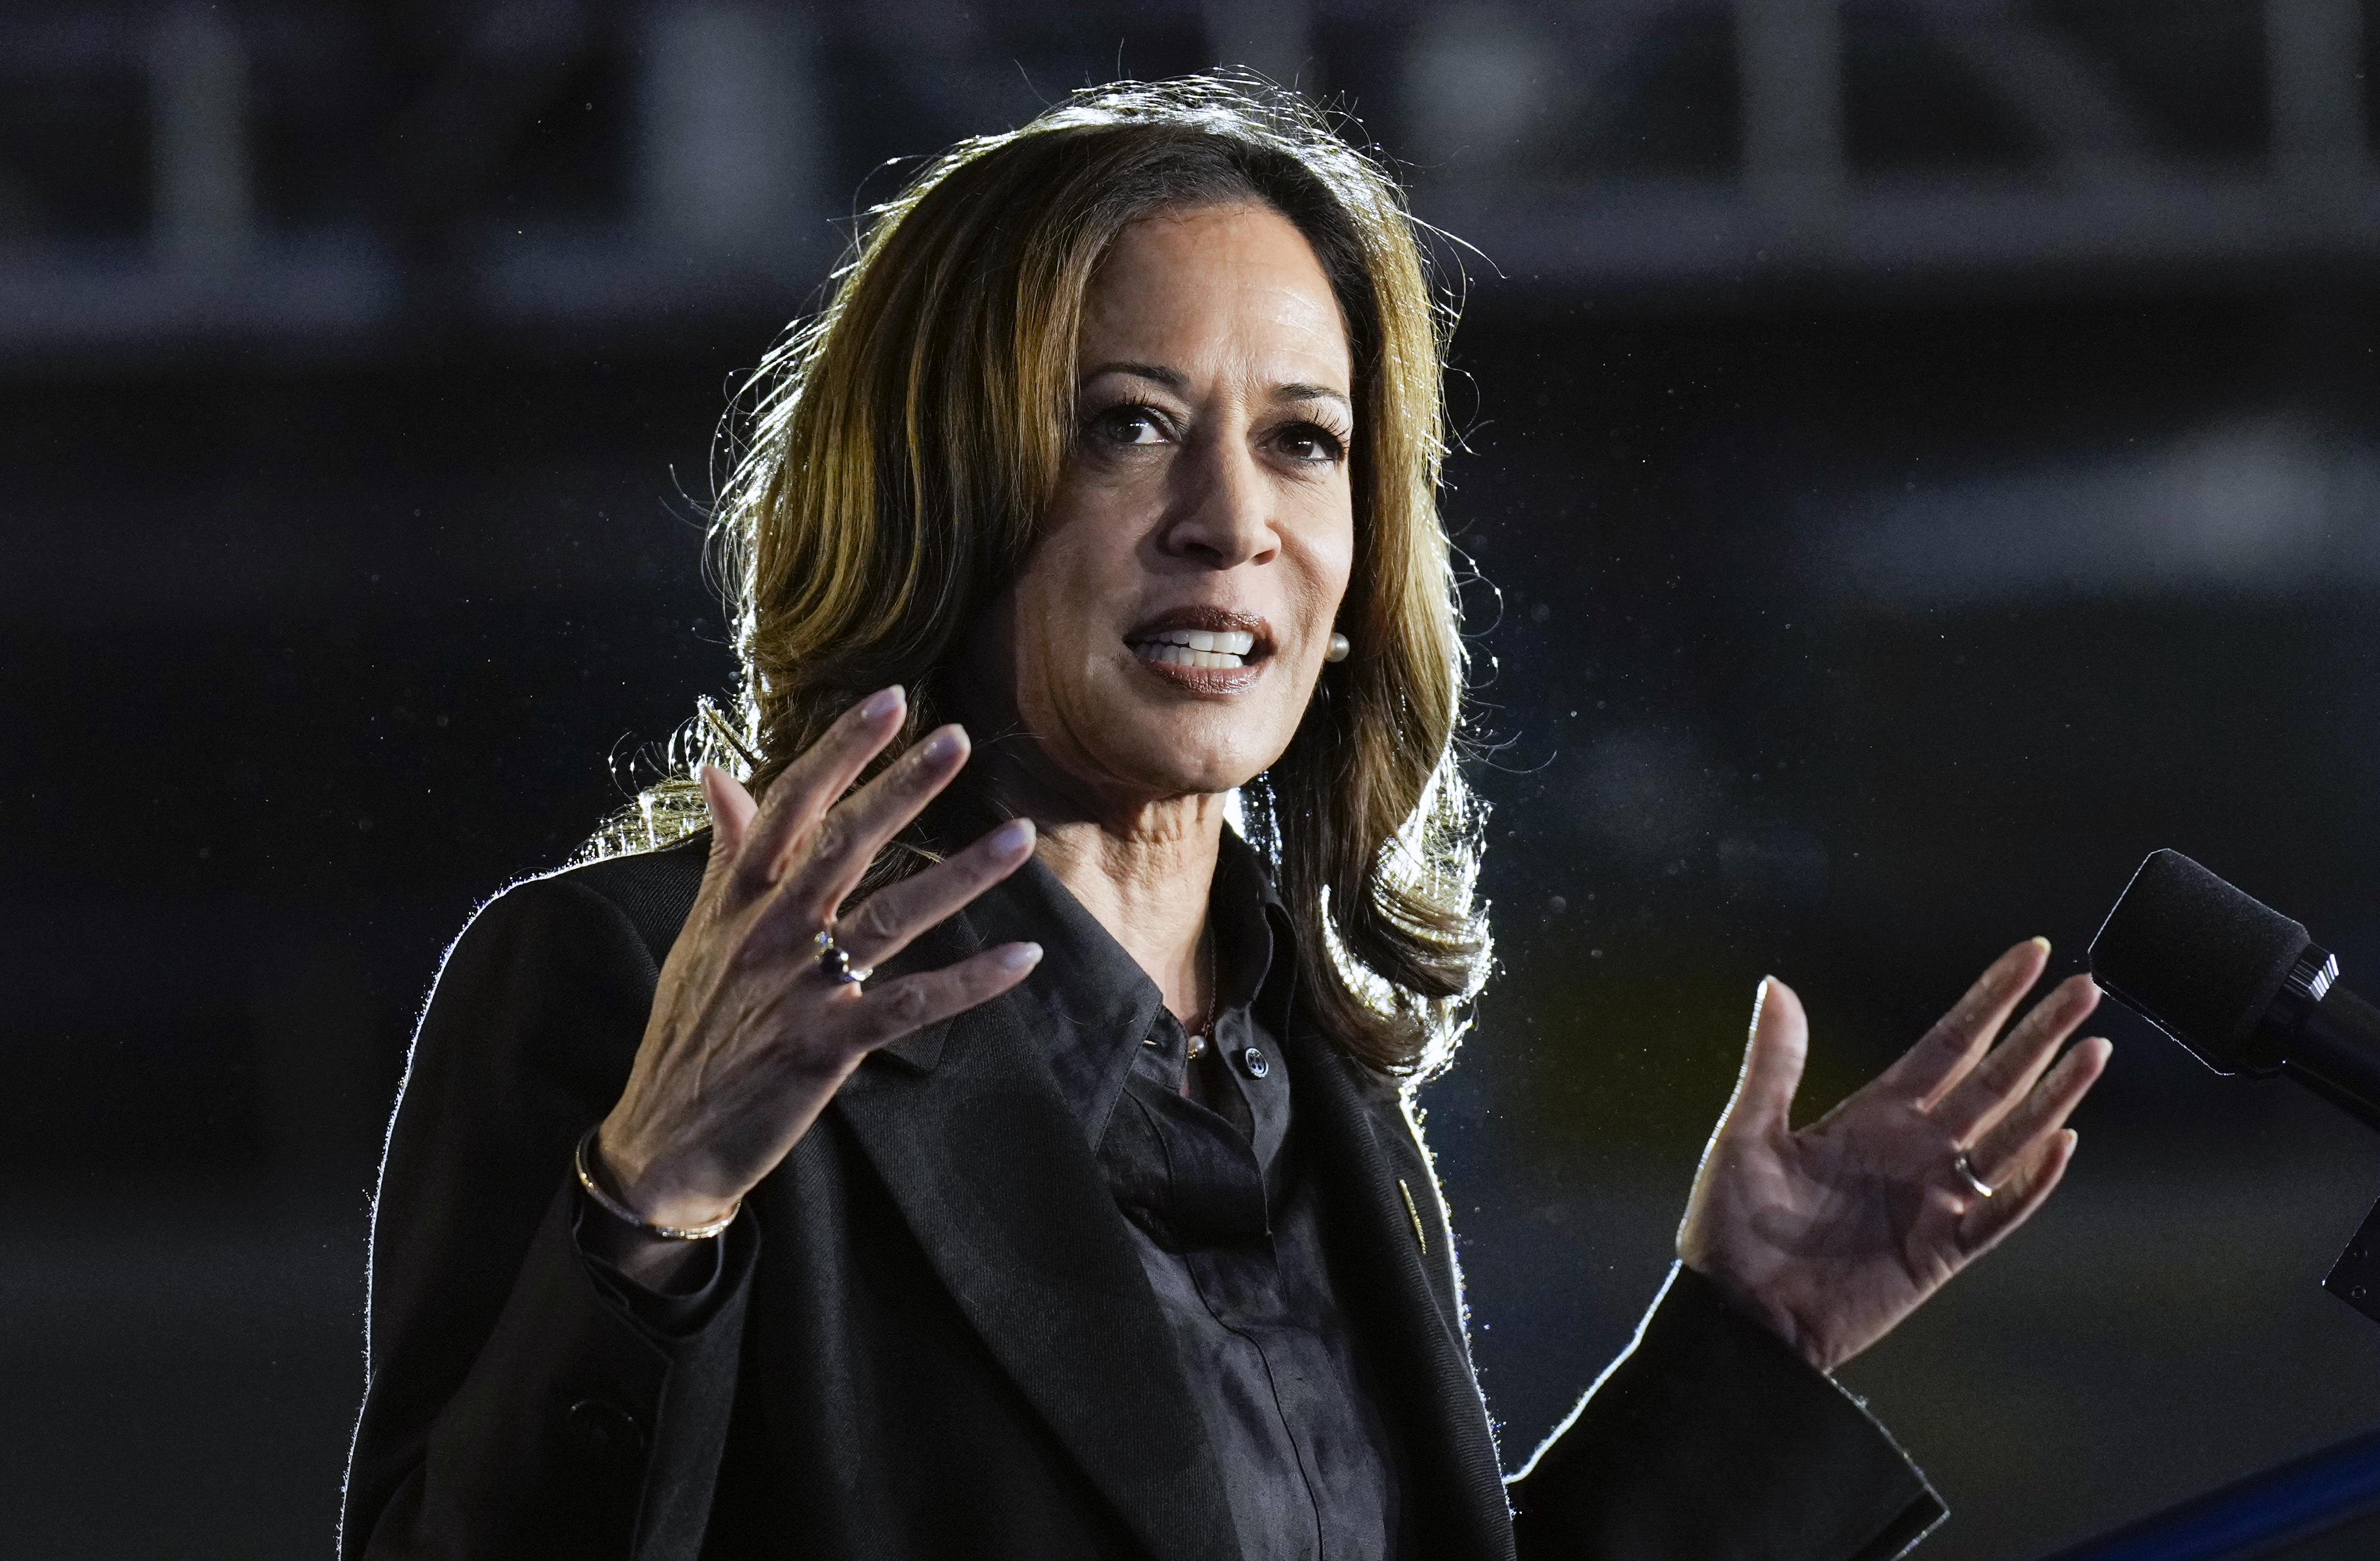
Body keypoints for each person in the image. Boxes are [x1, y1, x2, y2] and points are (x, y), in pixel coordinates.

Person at [341, 77, 2110, 1560]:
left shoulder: (1315, 1078)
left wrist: (1751, 1340)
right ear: (940, 484)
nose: (1229, 518)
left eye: (1306, 440)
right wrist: (654, 1198)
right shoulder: (627, 983)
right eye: (1127, 425)